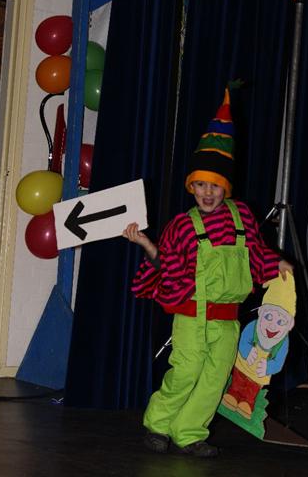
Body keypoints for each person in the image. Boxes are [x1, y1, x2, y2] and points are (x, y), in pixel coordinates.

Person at [123, 86, 293, 458]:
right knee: (185, 373)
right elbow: (167, 265)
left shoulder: (242, 216)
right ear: (192, 186)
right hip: (192, 317)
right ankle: (158, 424)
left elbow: (256, 253)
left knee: (215, 381)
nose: (207, 192)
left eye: (214, 185)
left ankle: (189, 433)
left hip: (228, 320)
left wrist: (276, 264)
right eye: (200, 184)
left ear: (225, 187)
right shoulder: (183, 226)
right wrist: (147, 245)